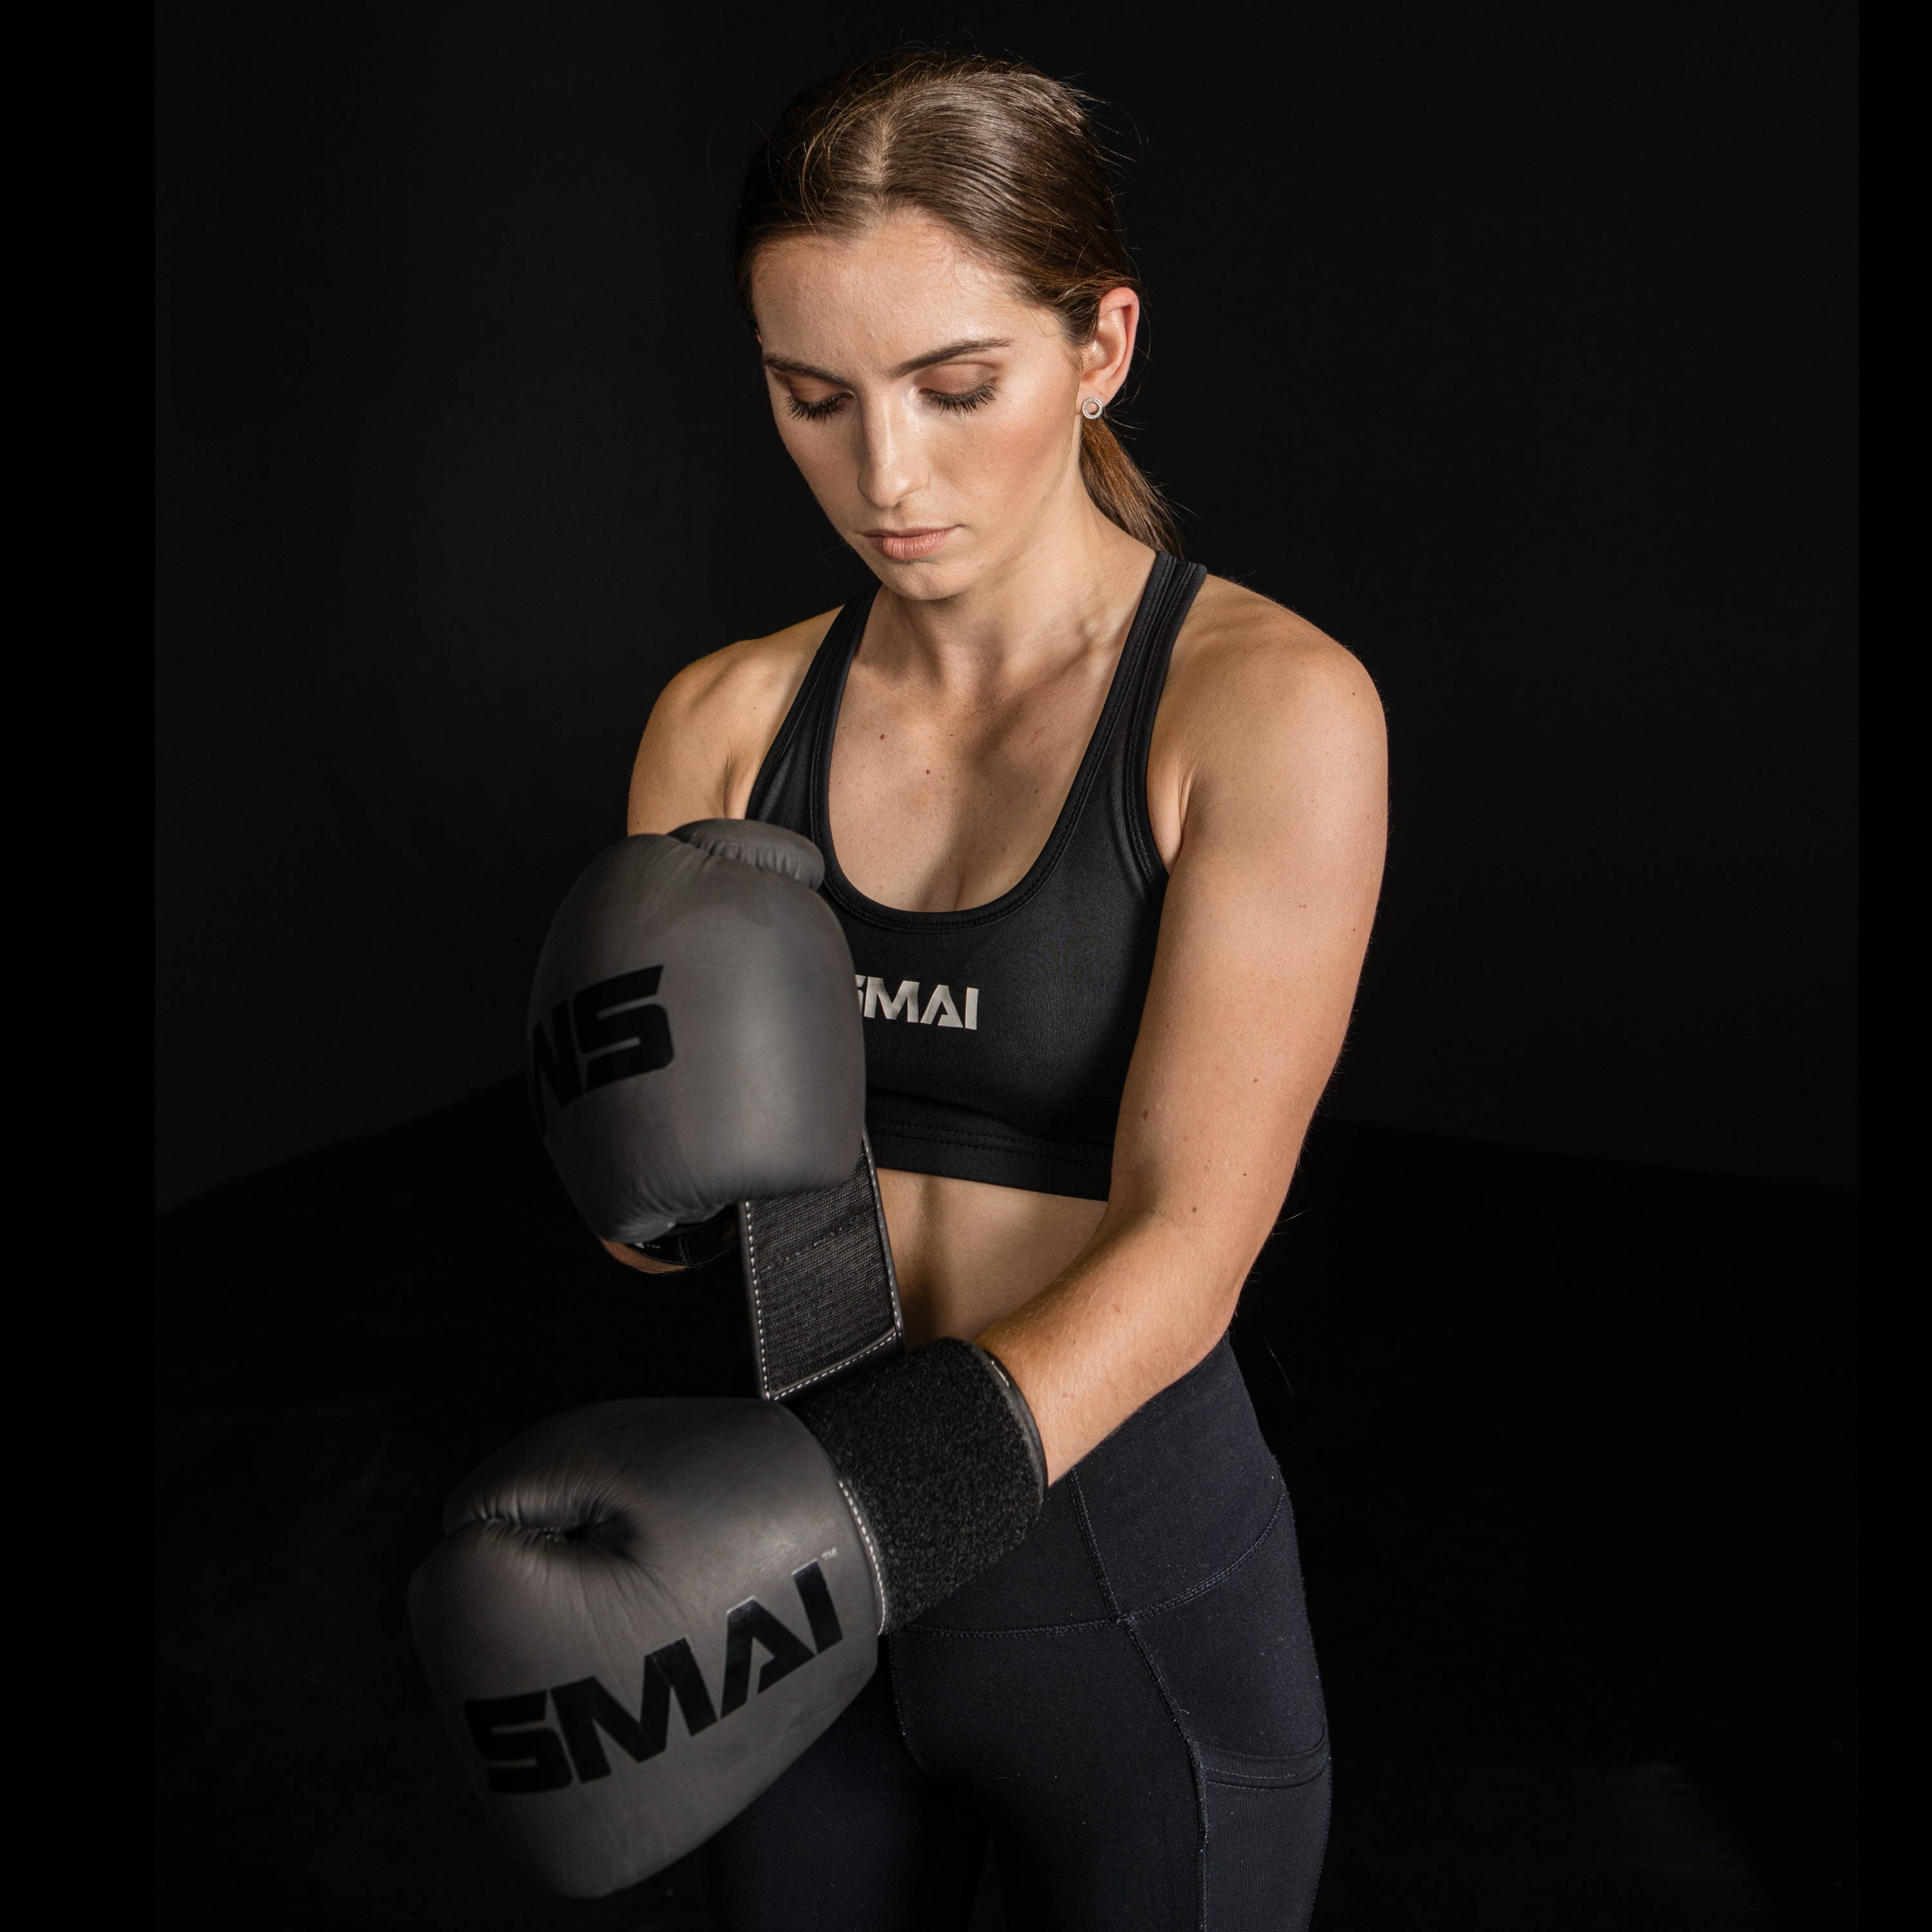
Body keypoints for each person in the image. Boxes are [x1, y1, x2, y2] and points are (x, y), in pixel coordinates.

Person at [619, 50, 1384, 1931]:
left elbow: (1193, 1249)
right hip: (798, 1614)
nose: (887, 475)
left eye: (959, 390)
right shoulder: (721, 723)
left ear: (1101, 342)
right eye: (814, 398)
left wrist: (850, 1517)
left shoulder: (1265, 710)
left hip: (1118, 1600)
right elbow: (664, 1243)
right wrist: (628, 1186)